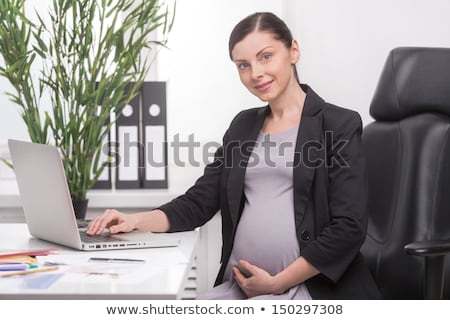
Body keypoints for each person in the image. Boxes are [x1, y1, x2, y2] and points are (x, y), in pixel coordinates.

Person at [87, 12, 381, 299]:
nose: (255, 73)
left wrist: (277, 283)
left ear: (293, 51)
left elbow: (348, 228)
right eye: (243, 65)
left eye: (266, 56)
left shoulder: (338, 124)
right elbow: (198, 202)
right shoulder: (243, 125)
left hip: (305, 290)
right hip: (241, 288)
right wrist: (135, 220)